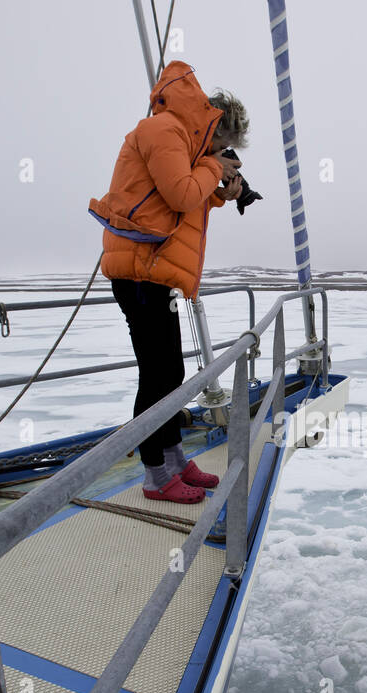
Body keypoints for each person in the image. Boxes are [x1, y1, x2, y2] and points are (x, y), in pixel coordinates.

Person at [89, 60, 249, 503]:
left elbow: (180, 204)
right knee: (156, 375)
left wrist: (222, 190)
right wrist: (215, 172)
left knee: (170, 374)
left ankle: (173, 460)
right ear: (213, 127)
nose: (220, 153)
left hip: (156, 272)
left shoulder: (180, 139)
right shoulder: (164, 130)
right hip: (141, 272)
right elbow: (180, 193)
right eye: (224, 145)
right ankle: (155, 475)